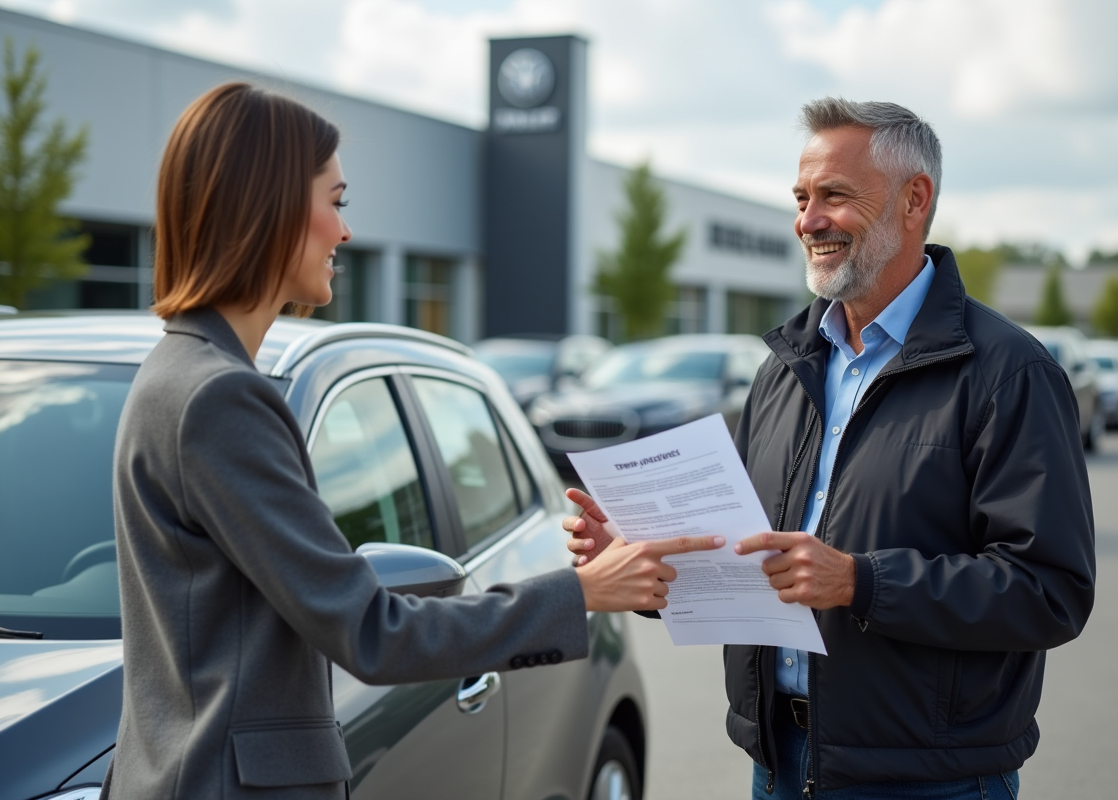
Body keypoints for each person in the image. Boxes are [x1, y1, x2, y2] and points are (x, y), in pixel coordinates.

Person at [101, 82, 722, 800]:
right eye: (335, 202)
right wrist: (580, 591)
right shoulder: (220, 396)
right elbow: (371, 630)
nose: (344, 233)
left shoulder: (176, 371)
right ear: (267, 208)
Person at [565, 98, 1095, 799]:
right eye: (801, 197)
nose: (807, 220)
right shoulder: (784, 368)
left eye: (834, 197)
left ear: (915, 200)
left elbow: (1050, 593)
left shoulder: (1008, 373)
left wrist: (861, 581)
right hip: (782, 764)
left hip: (930, 781)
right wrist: (637, 560)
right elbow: (746, 564)